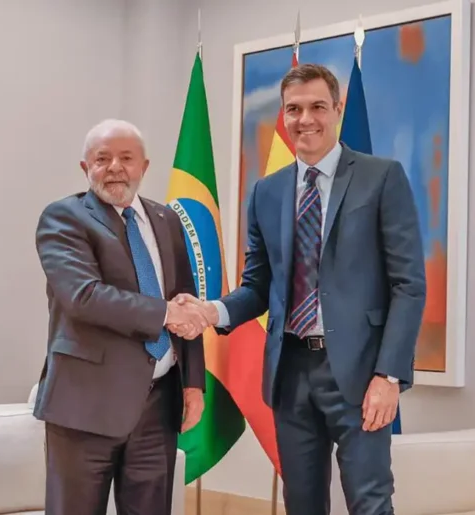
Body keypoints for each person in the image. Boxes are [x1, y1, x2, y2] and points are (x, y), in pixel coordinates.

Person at [171, 64, 427, 514]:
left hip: (361, 373)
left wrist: (389, 376)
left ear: (337, 110)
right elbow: (257, 287)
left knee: (370, 502)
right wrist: (212, 311)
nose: (305, 119)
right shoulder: (266, 192)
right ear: (284, 115)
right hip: (290, 374)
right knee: (302, 504)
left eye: (317, 107)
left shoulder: (381, 177)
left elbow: (409, 285)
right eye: (293, 109)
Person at [33, 119, 209, 515]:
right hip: (85, 407)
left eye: (126, 158)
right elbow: (84, 297)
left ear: (144, 167)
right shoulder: (64, 218)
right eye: (102, 159)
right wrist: (166, 313)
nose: (115, 167)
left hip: (158, 406)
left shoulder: (167, 220)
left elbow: (186, 299)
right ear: (86, 168)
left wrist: (193, 382)